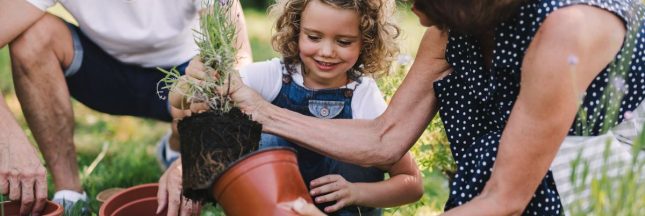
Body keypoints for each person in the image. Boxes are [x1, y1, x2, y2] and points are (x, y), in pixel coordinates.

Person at [221, 0, 645, 215]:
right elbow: (385, 138)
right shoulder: (452, 26)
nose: (416, 15)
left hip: (596, 182)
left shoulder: (567, 28)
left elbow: (505, 200)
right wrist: (263, 112)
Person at [160, 0, 424, 215]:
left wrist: (358, 193)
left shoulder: (363, 95)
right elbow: (182, 101)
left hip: (342, 210)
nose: (327, 51)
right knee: (262, 137)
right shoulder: (274, 75)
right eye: (313, 37)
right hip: (271, 205)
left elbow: (411, 184)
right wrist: (191, 82)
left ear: (365, 41)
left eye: (343, 42)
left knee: (361, 150)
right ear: (296, 30)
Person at [0, 0, 251, 214]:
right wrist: (8, 137)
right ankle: (70, 193)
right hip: (102, 72)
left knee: (216, 76)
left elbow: (238, 65)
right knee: (32, 37)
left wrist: (196, 157)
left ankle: (177, 144)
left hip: (181, 76)